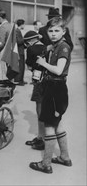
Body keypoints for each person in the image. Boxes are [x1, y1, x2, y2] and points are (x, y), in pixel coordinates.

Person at [29, 17, 72, 174]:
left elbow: (59, 70)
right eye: (51, 31)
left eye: (57, 31)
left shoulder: (63, 47)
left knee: (48, 127)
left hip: (55, 88)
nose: (53, 34)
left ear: (63, 31)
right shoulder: (55, 46)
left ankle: (45, 164)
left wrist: (43, 63)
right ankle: (65, 157)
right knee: (57, 124)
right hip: (54, 87)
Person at [25, 30, 47, 150]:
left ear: (31, 41)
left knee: (39, 111)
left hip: (38, 80)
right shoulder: (46, 47)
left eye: (27, 42)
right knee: (43, 109)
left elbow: (29, 66)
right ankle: (40, 136)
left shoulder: (30, 49)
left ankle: (42, 139)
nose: (27, 45)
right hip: (47, 80)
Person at [0, 9, 12, 79]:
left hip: (3, 52)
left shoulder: (3, 27)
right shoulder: (10, 25)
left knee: (1, 73)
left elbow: (1, 43)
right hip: (10, 52)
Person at [14, 19, 27, 86]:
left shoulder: (18, 31)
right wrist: (25, 39)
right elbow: (18, 41)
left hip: (21, 50)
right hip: (19, 51)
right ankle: (19, 80)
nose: (24, 26)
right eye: (24, 24)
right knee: (20, 66)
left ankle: (21, 80)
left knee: (22, 66)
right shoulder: (17, 31)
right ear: (21, 24)